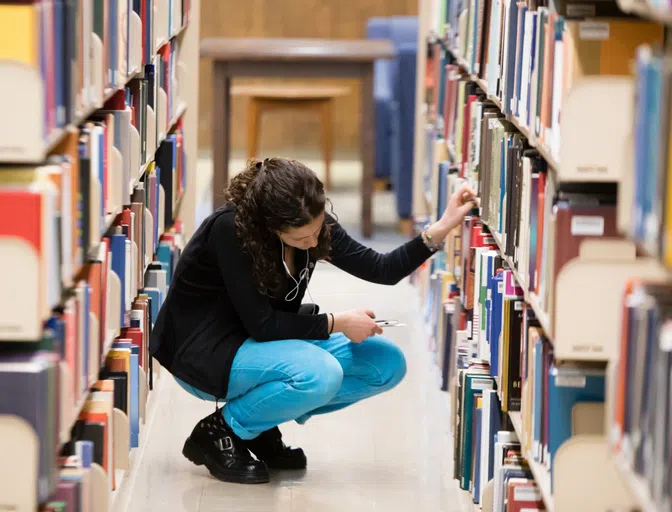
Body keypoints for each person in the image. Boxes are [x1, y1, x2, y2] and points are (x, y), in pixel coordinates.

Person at [149, 157, 477, 484]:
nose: (314, 243)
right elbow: (262, 326)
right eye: (301, 239)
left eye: (318, 230)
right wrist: (337, 322)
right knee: (321, 374)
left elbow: (382, 269)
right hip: (205, 352)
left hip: (259, 342)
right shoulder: (230, 229)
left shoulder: (312, 225)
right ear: (271, 227)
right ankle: (221, 430)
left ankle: (258, 422)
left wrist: (443, 226)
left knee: (386, 363)